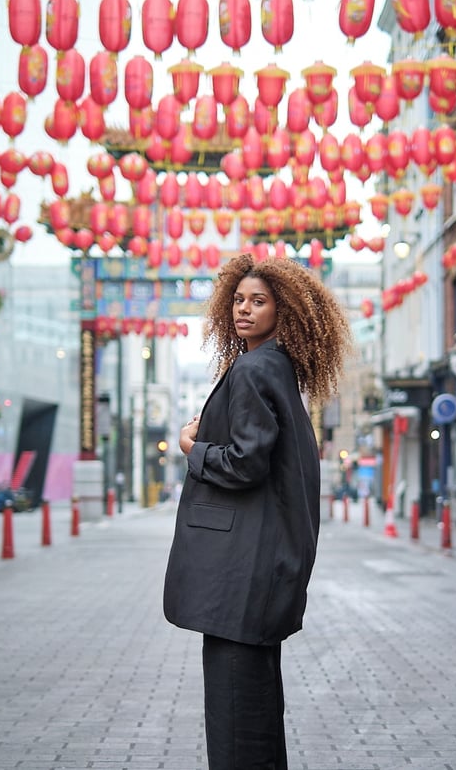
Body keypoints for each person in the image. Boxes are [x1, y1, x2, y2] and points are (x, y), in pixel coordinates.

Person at [163, 252, 352, 770]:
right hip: (259, 568)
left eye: (259, 301)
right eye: (239, 300)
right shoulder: (276, 367)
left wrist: (191, 449)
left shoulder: (253, 370)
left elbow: (246, 463)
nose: (244, 310)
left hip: (237, 575)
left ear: (282, 309)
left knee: (234, 713)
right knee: (256, 707)